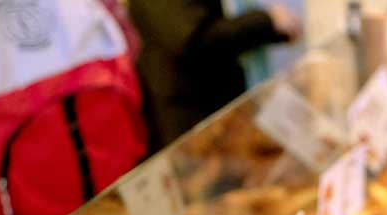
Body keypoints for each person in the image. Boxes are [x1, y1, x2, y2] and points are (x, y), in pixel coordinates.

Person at [129, 1, 302, 148]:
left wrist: (274, 28)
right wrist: (266, 22)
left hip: (228, 110)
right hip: (196, 119)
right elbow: (195, 41)